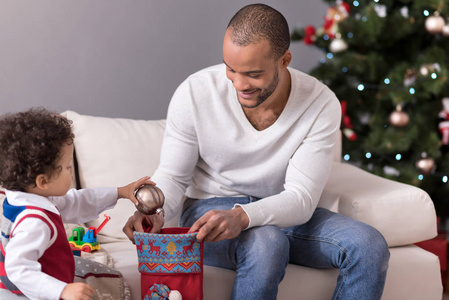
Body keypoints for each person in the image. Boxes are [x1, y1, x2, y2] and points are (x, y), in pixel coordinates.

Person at [124, 4, 390, 299]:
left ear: (284, 60)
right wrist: (156, 212)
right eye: (230, 69)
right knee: (267, 243)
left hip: (282, 211)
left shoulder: (319, 104)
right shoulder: (195, 93)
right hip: (210, 210)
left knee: (369, 244)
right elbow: (173, 176)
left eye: (252, 74)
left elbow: (301, 199)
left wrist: (243, 215)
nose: (239, 84)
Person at [0, 107, 154, 300]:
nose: (71, 172)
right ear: (42, 182)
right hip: (36, 290)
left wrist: (121, 192)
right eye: (66, 167)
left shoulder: (26, 196)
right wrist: (61, 291)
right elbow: (19, 269)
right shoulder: (34, 222)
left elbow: (77, 201)